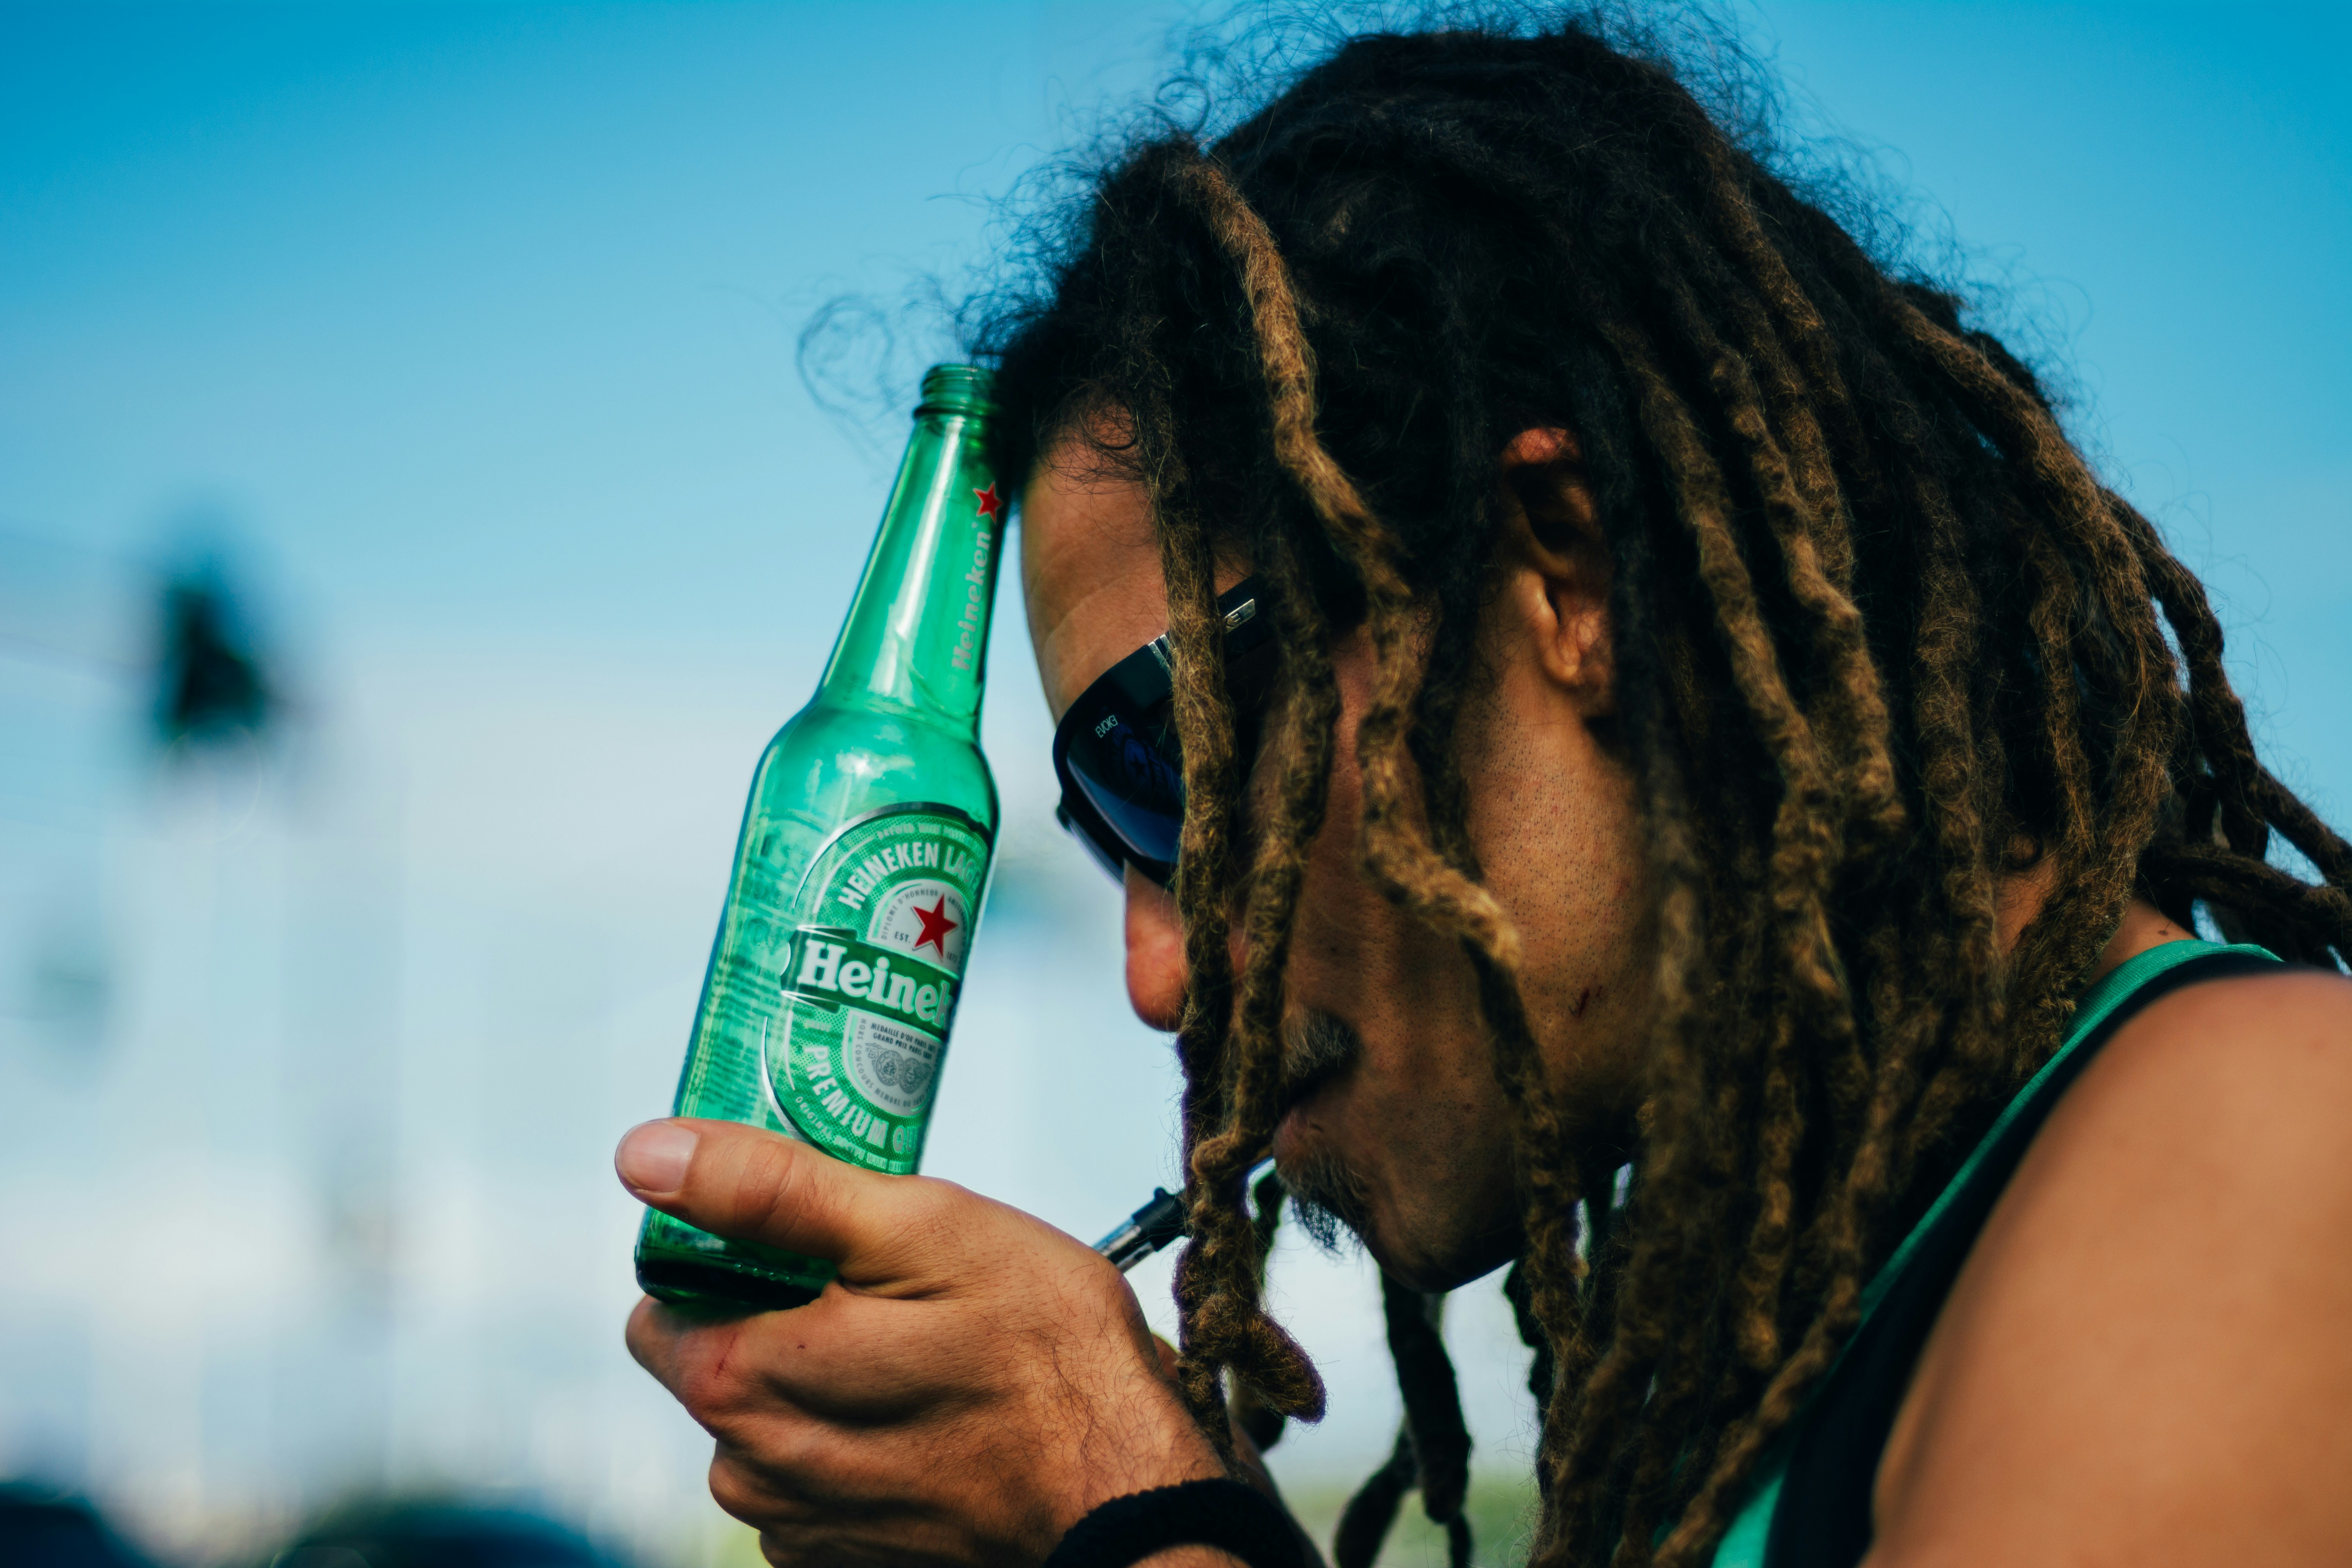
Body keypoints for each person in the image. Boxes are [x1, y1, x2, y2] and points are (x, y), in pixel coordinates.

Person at [614, 14, 2352, 1567]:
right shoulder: (1800, 1333)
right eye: (1106, 835)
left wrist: (1118, 1502)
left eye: (1184, 772)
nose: (1156, 971)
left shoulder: (2267, 1135)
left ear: (1562, 571)